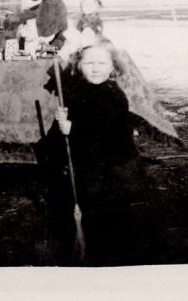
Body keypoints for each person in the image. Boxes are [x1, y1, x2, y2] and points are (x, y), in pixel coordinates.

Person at [41, 39, 146, 265]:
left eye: (102, 63)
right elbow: (67, 128)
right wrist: (61, 126)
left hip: (109, 165)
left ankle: (108, 251)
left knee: (105, 211)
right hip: (84, 164)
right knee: (82, 204)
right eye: (89, 63)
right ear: (78, 66)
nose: (96, 68)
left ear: (113, 67)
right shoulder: (76, 90)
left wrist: (74, 128)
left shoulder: (114, 96)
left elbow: (110, 134)